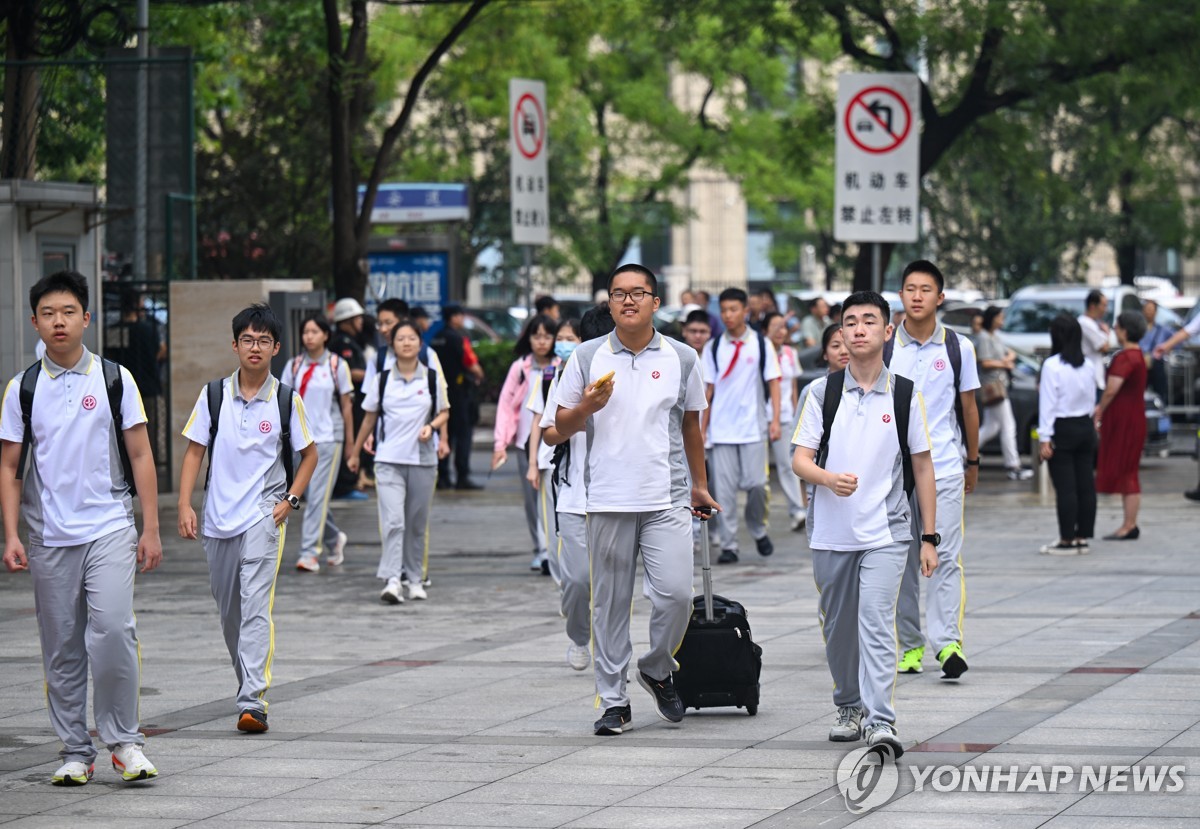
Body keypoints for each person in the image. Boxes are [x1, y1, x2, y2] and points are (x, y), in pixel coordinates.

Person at [1, 270, 163, 786]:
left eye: (68, 312)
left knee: (114, 630)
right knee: (62, 645)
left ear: (86, 318)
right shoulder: (23, 388)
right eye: (48, 314)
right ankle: (75, 749)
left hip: (109, 525)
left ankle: (124, 742)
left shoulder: (115, 379)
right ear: (35, 322)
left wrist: (150, 527)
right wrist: (10, 535)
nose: (59, 321)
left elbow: (140, 452)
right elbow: (9, 468)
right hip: (48, 535)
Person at [554, 263, 718, 736]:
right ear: (608, 303)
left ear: (655, 302)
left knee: (677, 595)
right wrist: (586, 407)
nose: (628, 301)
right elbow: (556, 431)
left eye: (638, 293)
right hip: (605, 497)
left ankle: (656, 665)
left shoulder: (683, 357)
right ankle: (613, 700)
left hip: (665, 496)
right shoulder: (585, 357)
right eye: (619, 293)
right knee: (609, 603)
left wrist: (699, 484)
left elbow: (691, 425)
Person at [792, 290, 937, 758]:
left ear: (887, 331)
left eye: (869, 321)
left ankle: (880, 721)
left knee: (875, 621)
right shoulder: (820, 393)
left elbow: (922, 467)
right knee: (838, 626)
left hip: (887, 531)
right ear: (839, 333)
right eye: (850, 322)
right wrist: (827, 479)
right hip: (831, 533)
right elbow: (799, 460)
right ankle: (848, 705)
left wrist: (929, 537)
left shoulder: (905, 394)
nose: (858, 329)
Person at [178, 304, 318, 734]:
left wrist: (290, 500)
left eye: (263, 340)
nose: (254, 347)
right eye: (247, 340)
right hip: (219, 519)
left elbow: (310, 454)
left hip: (263, 514)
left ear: (276, 347)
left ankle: (253, 702)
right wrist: (185, 505)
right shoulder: (214, 395)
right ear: (234, 344)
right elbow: (195, 451)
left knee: (256, 607)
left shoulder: (285, 398)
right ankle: (247, 688)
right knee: (230, 614)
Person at [887, 260, 980, 680]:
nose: (918, 296)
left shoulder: (958, 348)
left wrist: (973, 460)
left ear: (940, 298)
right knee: (901, 559)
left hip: (943, 467)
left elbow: (969, 408)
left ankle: (948, 645)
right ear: (901, 295)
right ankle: (910, 645)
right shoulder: (887, 346)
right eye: (910, 289)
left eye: (926, 289)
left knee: (944, 556)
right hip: (892, 473)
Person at [349, 319, 450, 604]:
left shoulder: (431, 377)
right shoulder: (382, 379)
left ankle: (415, 579)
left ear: (420, 343)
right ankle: (392, 579)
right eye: (400, 338)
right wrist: (355, 452)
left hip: (423, 461)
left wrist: (432, 427)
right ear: (391, 344)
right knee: (393, 521)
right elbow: (369, 417)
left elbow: (445, 412)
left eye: (412, 338)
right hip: (388, 460)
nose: (406, 343)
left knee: (416, 523)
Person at [527, 317, 591, 668]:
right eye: (562, 338)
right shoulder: (554, 376)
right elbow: (545, 426)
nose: (564, 343)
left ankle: (613, 653)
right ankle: (579, 633)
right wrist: (534, 462)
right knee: (575, 577)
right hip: (567, 486)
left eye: (571, 338)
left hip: (615, 499)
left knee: (614, 586)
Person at [701, 288, 782, 564]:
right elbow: (707, 391)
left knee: (757, 485)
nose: (728, 315)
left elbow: (774, 381)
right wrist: (702, 429)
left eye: (733, 309)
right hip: (722, 431)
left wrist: (774, 420)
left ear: (745, 310)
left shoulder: (761, 344)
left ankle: (758, 529)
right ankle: (729, 544)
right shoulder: (713, 347)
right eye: (724, 310)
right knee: (723, 492)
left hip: (753, 428)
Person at [282, 316, 354, 573]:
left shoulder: (337, 365)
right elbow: (284, 402)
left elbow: (346, 405)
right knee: (311, 495)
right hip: (301, 440)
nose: (309, 336)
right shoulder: (294, 365)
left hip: (327, 438)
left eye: (315, 331)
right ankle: (334, 538)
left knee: (318, 497)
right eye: (306, 332)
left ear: (325, 335)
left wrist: (349, 443)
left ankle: (309, 553)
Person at [493, 314, 561, 572]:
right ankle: (540, 549)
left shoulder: (560, 365)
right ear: (528, 338)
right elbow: (505, 406)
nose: (542, 341)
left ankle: (555, 546)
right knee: (532, 499)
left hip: (555, 442)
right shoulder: (520, 368)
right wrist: (501, 442)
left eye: (547, 336)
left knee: (555, 498)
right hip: (525, 442)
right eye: (536, 336)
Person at [1037, 315, 1098, 554]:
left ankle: (1066, 539)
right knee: (1085, 485)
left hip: (1062, 428)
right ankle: (1082, 536)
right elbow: (1092, 399)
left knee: (1066, 488)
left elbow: (1048, 404)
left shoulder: (1052, 365)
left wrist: (1044, 437)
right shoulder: (1089, 365)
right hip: (1085, 426)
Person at [1095, 311, 1148, 540]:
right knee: (1130, 470)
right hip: (1134, 417)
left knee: (1127, 471)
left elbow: (1112, 388)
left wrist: (1100, 409)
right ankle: (1129, 523)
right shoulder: (1138, 355)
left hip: (1124, 419)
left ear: (1125, 331)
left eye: (1117, 327)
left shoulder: (1125, 358)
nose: (1115, 330)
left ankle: (1129, 524)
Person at [976, 306, 1034, 480]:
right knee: (1008, 426)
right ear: (993, 318)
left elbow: (1009, 354)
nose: (1002, 320)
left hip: (998, 386)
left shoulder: (994, 337)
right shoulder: (985, 337)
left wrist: (1006, 360)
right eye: (1000, 317)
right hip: (994, 387)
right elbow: (985, 362)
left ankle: (964, 452)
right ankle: (1013, 465)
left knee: (991, 427)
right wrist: (1005, 364)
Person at [431, 305, 483, 490]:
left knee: (445, 434)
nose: (462, 319)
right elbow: (470, 363)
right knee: (463, 435)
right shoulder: (458, 338)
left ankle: (442, 476)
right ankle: (462, 476)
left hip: (442, 392)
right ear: (453, 317)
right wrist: (479, 374)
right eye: (460, 315)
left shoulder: (436, 338)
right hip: (460, 393)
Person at [679, 309, 719, 551]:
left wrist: (704, 429)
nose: (697, 336)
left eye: (702, 331)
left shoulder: (712, 356)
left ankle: (710, 530)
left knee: (710, 480)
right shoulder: (680, 356)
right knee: (690, 478)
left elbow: (710, 395)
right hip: (688, 430)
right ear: (684, 332)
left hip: (713, 429)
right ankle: (693, 533)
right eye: (693, 331)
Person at [764, 311, 805, 531]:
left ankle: (798, 511)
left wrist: (798, 415)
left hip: (786, 417)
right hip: (761, 416)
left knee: (788, 466)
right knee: (757, 474)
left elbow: (793, 388)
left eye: (783, 327)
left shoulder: (790, 352)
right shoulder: (761, 351)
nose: (780, 331)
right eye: (775, 326)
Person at [329, 298, 369, 500]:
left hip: (358, 399)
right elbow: (349, 372)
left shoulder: (352, 341)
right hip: (348, 400)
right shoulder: (340, 342)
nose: (361, 321)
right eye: (357, 318)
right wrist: (373, 374)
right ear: (347, 320)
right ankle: (343, 486)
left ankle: (350, 481)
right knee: (349, 438)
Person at [1078, 289, 1111, 396]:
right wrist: (1106, 333)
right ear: (1093, 306)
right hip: (1092, 379)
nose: (1105, 310)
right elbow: (1104, 347)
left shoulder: (1093, 323)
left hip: (1096, 377)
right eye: (1103, 305)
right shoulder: (1085, 323)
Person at [1139, 300, 1172, 402]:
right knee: (1138, 393)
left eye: (1151, 309)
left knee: (1160, 393)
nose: (1149, 312)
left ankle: (1162, 415)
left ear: (1156, 312)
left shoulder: (1163, 329)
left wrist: (1168, 347)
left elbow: (1177, 341)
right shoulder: (1137, 328)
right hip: (1140, 363)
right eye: (1147, 309)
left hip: (1157, 364)